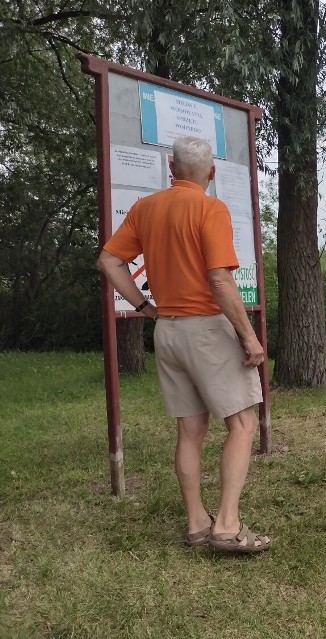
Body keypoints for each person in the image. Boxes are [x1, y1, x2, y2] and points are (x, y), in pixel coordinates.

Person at [97, 136, 271, 553]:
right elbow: (219, 279)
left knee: (190, 430)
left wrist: (143, 305)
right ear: (211, 173)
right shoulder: (211, 208)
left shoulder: (145, 208)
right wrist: (249, 336)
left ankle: (196, 523)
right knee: (243, 424)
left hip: (168, 331)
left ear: (171, 168)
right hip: (207, 329)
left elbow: (108, 260)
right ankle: (227, 526)